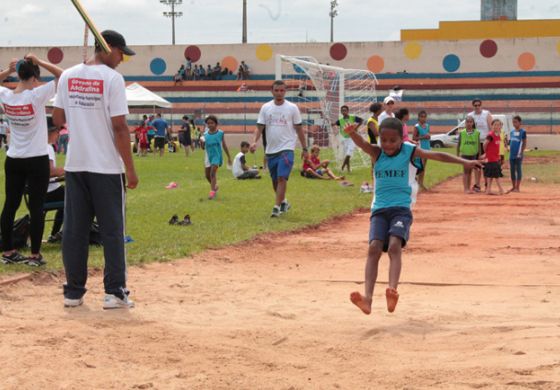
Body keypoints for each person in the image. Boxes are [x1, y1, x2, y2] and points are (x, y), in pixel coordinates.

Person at [344, 118, 481, 315]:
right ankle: (368, 298)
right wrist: (352, 133)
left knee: (393, 246)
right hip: (379, 210)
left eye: (393, 140)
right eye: (384, 140)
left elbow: (438, 155)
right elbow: (363, 144)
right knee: (374, 248)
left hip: (401, 209)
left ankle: (392, 290)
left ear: (402, 139)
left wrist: (465, 161)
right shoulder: (377, 152)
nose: (388, 144)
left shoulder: (409, 151)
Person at [52, 29, 138, 309]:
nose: (121, 59)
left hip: (76, 165)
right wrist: (131, 169)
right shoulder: (113, 79)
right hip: (106, 168)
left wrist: (79, 107)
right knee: (113, 230)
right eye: (120, 53)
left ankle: (73, 292)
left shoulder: (67, 75)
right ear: (106, 47)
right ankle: (115, 291)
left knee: (74, 231)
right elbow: (120, 128)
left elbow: (58, 117)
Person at [0, 54, 63, 266]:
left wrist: (7, 72)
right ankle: (35, 255)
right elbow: (62, 76)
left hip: (14, 158)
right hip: (36, 158)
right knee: (36, 207)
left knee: (10, 205)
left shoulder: (6, 96)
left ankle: (8, 251)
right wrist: (41, 61)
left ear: (19, 75)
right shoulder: (36, 96)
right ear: (35, 77)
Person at [250, 80, 307, 218]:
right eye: (277, 90)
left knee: (282, 178)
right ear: (272, 91)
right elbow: (259, 127)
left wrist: (305, 148)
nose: (279, 93)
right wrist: (254, 142)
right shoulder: (265, 108)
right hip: (271, 150)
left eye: (282, 90)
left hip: (287, 148)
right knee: (275, 181)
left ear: (285, 91)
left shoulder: (292, 108)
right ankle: (284, 202)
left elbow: (299, 129)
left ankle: (276, 207)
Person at [201, 115, 231, 199]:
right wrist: (202, 143)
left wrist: (228, 157)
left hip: (217, 156)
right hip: (208, 156)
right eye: (208, 123)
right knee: (207, 175)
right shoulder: (205, 135)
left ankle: (212, 192)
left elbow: (224, 145)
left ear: (216, 124)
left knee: (212, 173)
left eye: (212, 123)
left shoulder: (220, 133)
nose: (210, 125)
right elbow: (203, 148)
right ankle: (214, 187)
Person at [45, 120, 65, 243]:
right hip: (49, 191)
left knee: (68, 194)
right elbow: (50, 172)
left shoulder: (34, 145)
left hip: (35, 192)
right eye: (58, 132)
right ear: (51, 132)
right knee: (81, 196)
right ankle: (58, 234)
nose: (59, 135)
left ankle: (55, 233)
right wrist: (67, 169)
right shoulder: (47, 147)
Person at [468, 99, 493, 192]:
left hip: (485, 142)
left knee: (486, 164)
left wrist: (490, 141)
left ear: (481, 105)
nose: (477, 107)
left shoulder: (486, 114)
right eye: (475, 105)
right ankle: (477, 185)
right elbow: (468, 129)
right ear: (473, 106)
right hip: (475, 143)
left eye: (479, 105)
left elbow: (491, 129)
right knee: (476, 164)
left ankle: (487, 184)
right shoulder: (470, 116)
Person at [335, 105, 363, 173]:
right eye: (342, 110)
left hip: (352, 137)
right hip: (344, 139)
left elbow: (361, 120)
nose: (343, 111)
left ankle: (342, 167)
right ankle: (348, 169)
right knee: (347, 154)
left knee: (349, 153)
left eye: (345, 110)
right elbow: (335, 124)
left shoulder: (352, 117)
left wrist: (356, 128)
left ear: (348, 111)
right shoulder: (340, 121)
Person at [456, 116, 481, 194]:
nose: (469, 123)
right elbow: (459, 144)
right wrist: (457, 154)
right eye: (467, 122)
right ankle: (465, 188)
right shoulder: (462, 132)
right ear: (465, 123)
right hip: (465, 154)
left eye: (471, 122)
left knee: (470, 172)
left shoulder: (477, 132)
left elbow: (478, 144)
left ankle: (468, 188)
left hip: (473, 154)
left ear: (473, 123)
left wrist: (479, 154)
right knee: (466, 172)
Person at [482, 119, 505, 195]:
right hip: (491, 158)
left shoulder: (498, 135)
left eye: (498, 125)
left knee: (490, 175)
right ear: (492, 126)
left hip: (495, 157)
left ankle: (488, 190)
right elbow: (484, 144)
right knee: (497, 175)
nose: (497, 126)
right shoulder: (490, 135)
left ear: (501, 126)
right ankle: (501, 189)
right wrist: (486, 152)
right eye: (495, 125)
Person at [506, 115, 527, 193]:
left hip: (518, 154)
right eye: (513, 122)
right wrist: (508, 147)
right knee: (512, 170)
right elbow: (510, 142)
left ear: (520, 122)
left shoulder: (523, 132)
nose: (514, 124)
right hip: (512, 154)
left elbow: (524, 143)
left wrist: (521, 152)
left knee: (518, 170)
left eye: (516, 122)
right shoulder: (512, 132)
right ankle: (513, 186)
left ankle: (517, 187)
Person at [413, 110, 431, 190]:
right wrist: (423, 137)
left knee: (424, 167)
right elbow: (414, 138)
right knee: (420, 166)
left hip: (427, 147)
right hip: (420, 148)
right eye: (422, 117)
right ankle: (416, 182)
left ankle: (421, 183)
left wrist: (428, 136)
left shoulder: (427, 125)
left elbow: (428, 135)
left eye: (425, 117)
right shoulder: (416, 126)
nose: (423, 118)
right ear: (419, 117)